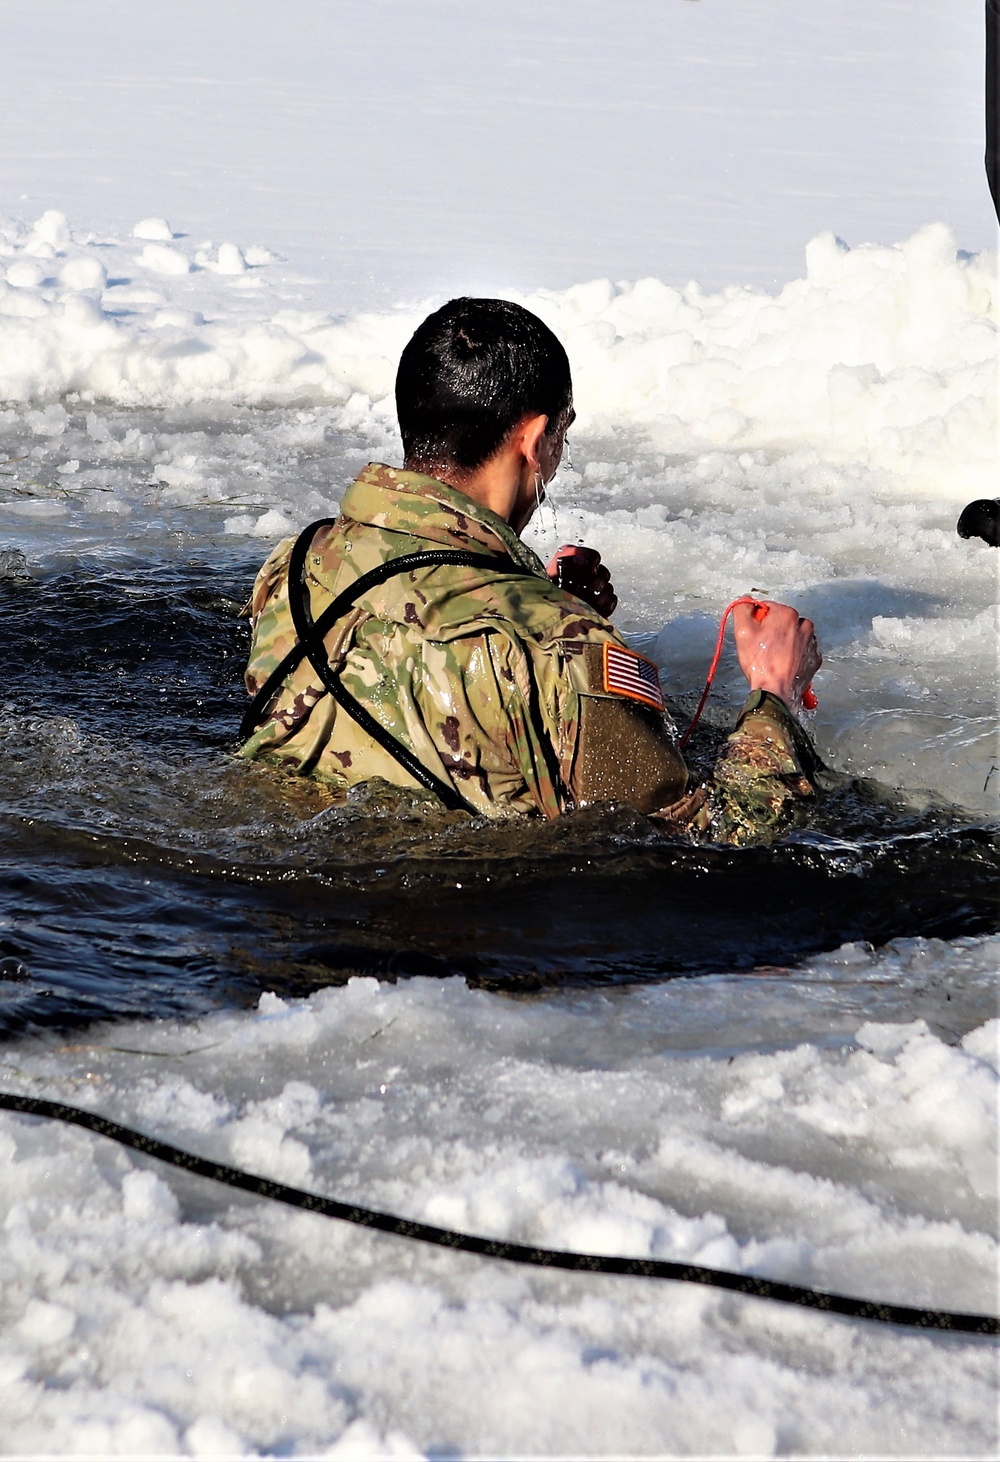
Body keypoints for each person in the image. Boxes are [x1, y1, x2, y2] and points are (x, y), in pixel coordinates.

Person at [239, 298, 822, 845]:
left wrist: (538, 601)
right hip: (464, 932)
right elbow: (711, 843)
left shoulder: (298, 562)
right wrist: (775, 695)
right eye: (562, 432)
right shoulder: (557, 646)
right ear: (537, 439)